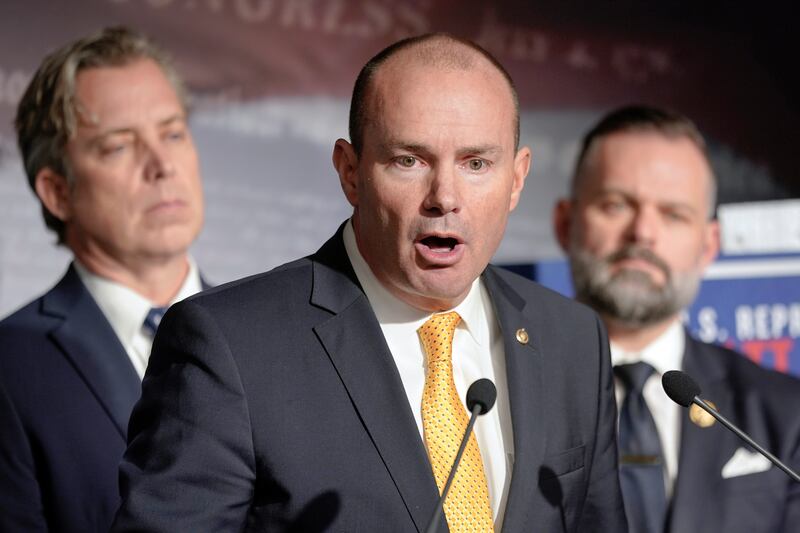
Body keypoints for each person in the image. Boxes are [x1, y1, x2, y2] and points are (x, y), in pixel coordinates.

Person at [113, 33, 626, 532]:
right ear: (350, 172)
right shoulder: (230, 348)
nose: (444, 196)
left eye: (476, 163)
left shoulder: (574, 341)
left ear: (516, 179)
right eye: (409, 160)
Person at [554, 104, 800, 533]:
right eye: (616, 205)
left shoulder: (785, 413)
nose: (643, 232)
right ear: (565, 224)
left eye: (674, 214)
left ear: (708, 246)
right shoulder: (496, 400)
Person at [0, 27, 206, 533]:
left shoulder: (274, 335)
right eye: (118, 147)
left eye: (173, 133)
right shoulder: (9, 367)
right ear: (57, 192)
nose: (162, 166)